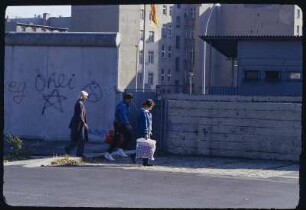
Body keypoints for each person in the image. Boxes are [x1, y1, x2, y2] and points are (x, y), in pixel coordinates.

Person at [104, 93, 134, 161]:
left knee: (117, 139)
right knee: (128, 137)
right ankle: (112, 152)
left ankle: (113, 152)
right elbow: (122, 116)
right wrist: (127, 124)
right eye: (130, 99)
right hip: (119, 124)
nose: (131, 101)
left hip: (120, 124)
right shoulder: (122, 105)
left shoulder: (126, 105)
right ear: (126, 99)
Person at [65, 90, 89, 158]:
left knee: (80, 140)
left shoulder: (80, 103)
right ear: (83, 96)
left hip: (78, 124)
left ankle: (79, 153)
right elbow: (80, 115)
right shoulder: (80, 103)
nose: (86, 98)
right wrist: (84, 123)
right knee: (79, 139)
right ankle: (70, 149)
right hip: (78, 125)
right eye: (86, 97)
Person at [131, 99, 155, 166]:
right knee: (145, 147)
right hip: (143, 132)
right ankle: (135, 156)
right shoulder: (143, 113)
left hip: (146, 132)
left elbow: (149, 124)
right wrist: (145, 132)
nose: (151, 108)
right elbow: (144, 124)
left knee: (145, 147)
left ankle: (145, 162)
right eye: (151, 106)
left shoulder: (147, 113)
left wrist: (150, 131)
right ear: (147, 106)